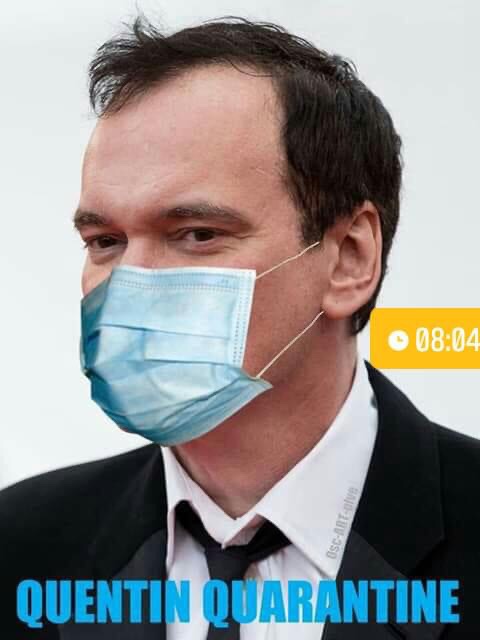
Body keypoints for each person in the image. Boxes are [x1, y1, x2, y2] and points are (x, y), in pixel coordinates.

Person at [1, 15, 479, 639]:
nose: (129, 283)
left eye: (197, 234)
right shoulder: (22, 545)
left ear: (349, 258)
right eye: (105, 241)